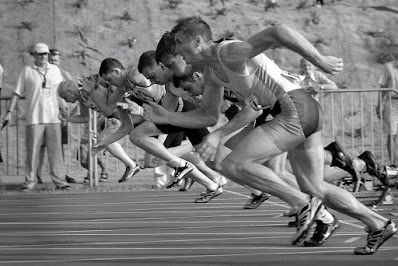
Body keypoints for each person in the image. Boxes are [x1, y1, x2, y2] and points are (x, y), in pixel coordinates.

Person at [142, 17, 396, 254]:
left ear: (197, 41)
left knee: (232, 163)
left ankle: (302, 203)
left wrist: (321, 61)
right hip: (300, 108)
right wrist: (167, 118)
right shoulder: (211, 72)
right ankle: (377, 223)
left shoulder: (227, 52)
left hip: (292, 107)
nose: (177, 51)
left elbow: (277, 31)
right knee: (313, 185)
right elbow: (207, 116)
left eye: (179, 44)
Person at [96, 57, 226, 203]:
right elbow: (111, 112)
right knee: (141, 140)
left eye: (109, 79)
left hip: (180, 110)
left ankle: (244, 185)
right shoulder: (122, 89)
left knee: (214, 162)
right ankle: (209, 179)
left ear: (116, 71)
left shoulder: (134, 75)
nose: (109, 84)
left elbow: (154, 73)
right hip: (168, 115)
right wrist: (103, 143)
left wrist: (140, 109)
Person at [1, 43, 71, 191]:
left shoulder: (54, 70)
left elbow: (60, 91)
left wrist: (64, 109)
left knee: (56, 152)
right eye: (40, 54)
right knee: (32, 152)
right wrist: (9, 112)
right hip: (34, 118)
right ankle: (30, 181)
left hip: (53, 117)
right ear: (33, 55)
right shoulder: (27, 71)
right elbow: (17, 93)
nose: (43, 56)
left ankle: (60, 182)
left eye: (45, 54)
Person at [57, 75, 141, 183]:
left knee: (103, 139)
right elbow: (85, 117)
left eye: (65, 98)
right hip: (113, 117)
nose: (67, 101)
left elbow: (107, 86)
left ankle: (132, 165)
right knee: (103, 140)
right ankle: (131, 165)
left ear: (70, 91)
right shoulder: (82, 98)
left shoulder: (86, 90)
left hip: (121, 112)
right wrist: (67, 118)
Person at [36, 48, 78, 184]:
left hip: (59, 116)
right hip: (44, 115)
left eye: (55, 60)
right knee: (41, 146)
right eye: (51, 60)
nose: (53, 62)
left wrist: (68, 115)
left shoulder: (65, 75)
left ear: (59, 61)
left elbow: (72, 95)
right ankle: (37, 175)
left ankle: (62, 174)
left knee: (59, 147)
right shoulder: (42, 74)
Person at [377, 59, 398, 167]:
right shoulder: (389, 67)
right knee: (392, 134)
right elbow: (383, 87)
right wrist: (379, 104)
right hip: (392, 101)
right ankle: (393, 163)